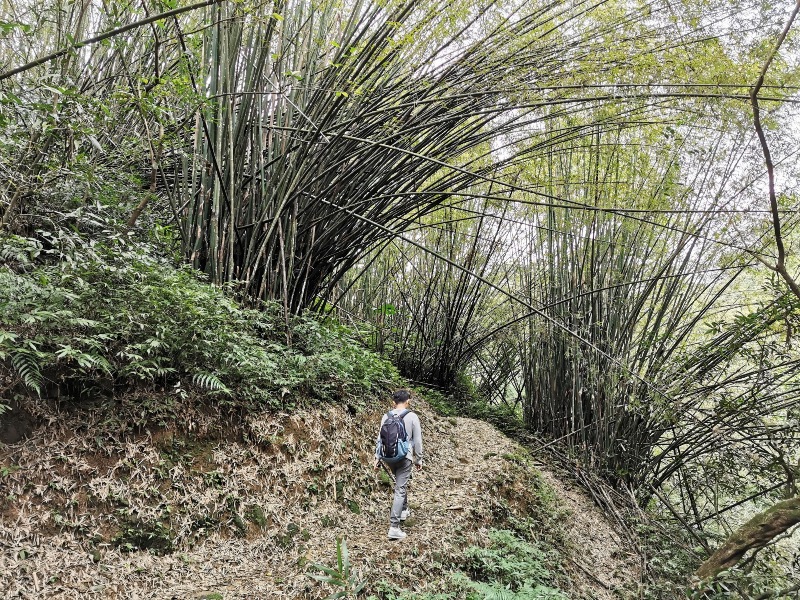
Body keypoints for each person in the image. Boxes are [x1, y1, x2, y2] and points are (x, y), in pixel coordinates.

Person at [374, 389, 423, 540]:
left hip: (388, 457)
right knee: (400, 488)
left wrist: (377, 457)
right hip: (404, 456)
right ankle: (394, 527)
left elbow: (380, 438)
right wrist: (419, 458)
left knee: (400, 483)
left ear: (393, 403)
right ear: (408, 401)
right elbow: (418, 440)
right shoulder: (412, 416)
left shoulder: (386, 416)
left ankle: (403, 510)